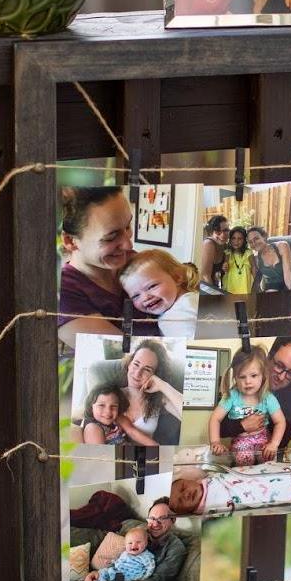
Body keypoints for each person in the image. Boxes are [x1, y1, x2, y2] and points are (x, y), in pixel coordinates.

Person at [58, 186, 144, 346]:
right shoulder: (63, 293)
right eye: (111, 237)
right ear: (70, 241)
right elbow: (123, 355)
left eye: (128, 227)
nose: (128, 244)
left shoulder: (134, 260)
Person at [84, 496, 187, 581]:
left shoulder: (176, 548)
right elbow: (123, 561)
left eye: (162, 519)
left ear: (173, 520)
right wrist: (97, 573)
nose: (155, 524)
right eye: (152, 518)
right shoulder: (141, 531)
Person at [219, 336, 291, 445]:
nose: (281, 377)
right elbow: (219, 428)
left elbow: (281, 443)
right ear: (269, 357)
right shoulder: (248, 381)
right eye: (279, 366)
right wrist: (241, 426)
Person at [207, 345, 286, 464]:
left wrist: (274, 444)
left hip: (263, 440)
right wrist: (215, 442)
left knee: (268, 462)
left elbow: (280, 421)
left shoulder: (268, 397)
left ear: (263, 376)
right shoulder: (231, 396)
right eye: (242, 377)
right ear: (235, 378)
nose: (248, 381)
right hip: (240, 442)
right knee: (244, 461)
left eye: (253, 376)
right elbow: (215, 419)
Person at [168, 462, 291, 517]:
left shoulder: (209, 479)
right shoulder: (208, 511)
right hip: (267, 494)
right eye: (180, 501)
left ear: (190, 481)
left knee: (270, 472)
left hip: (253, 476)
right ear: (185, 512)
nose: (185, 494)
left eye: (183, 487)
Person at [117, 251, 200, 337]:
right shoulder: (186, 302)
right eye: (136, 296)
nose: (145, 297)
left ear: (176, 277)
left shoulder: (180, 313)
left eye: (152, 286)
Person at [118, 340, 183, 446]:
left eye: (147, 369)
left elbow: (187, 415)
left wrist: (163, 385)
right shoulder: (112, 394)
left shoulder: (159, 399)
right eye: (136, 364)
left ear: (155, 374)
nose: (138, 373)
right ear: (129, 364)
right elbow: (85, 413)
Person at [79, 382, 156, 447]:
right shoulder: (93, 427)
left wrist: (156, 447)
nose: (108, 412)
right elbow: (101, 458)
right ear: (91, 406)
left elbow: (133, 432)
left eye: (113, 406)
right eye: (101, 405)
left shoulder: (118, 418)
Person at [92, 521, 157, 581]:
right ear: (125, 545)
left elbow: (150, 567)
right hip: (118, 570)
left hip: (131, 577)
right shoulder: (125, 553)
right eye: (130, 543)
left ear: (146, 543)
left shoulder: (146, 556)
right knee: (105, 572)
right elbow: (119, 561)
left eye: (138, 542)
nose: (134, 545)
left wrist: (144, 578)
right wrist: (112, 562)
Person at [248, 226, 291, 293]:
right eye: (251, 242)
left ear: (264, 237)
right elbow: (257, 282)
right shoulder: (256, 259)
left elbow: (288, 276)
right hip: (270, 290)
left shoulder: (282, 246)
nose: (254, 243)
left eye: (256, 239)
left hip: (286, 287)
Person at [221, 227, 254, 294]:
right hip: (230, 285)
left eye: (240, 239)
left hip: (245, 286)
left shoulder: (248, 253)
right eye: (233, 238)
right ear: (230, 239)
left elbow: (254, 268)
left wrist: (257, 285)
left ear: (244, 240)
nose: (236, 241)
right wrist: (225, 266)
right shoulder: (228, 252)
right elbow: (225, 265)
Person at [200, 215, 229, 287]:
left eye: (225, 230)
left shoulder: (225, 246)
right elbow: (205, 276)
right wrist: (213, 296)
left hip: (215, 286)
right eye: (218, 231)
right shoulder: (209, 244)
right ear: (212, 232)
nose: (222, 235)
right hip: (205, 287)